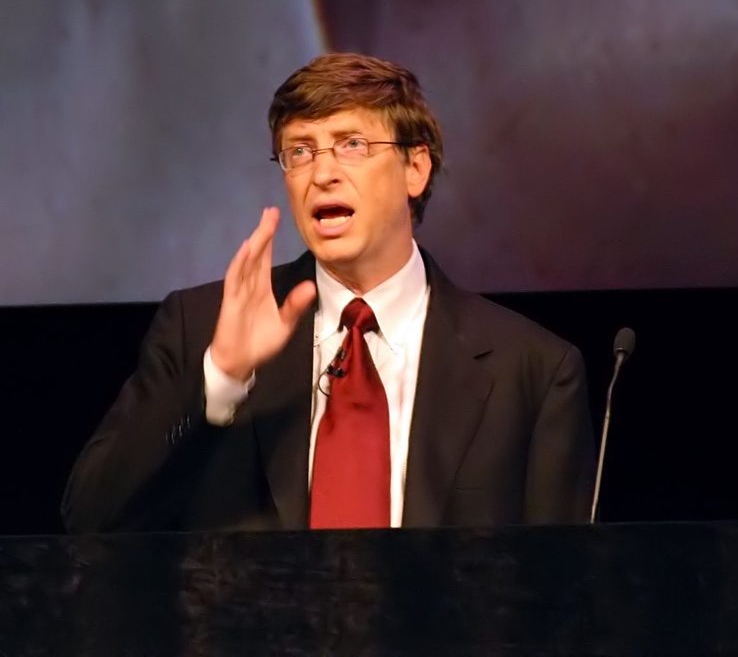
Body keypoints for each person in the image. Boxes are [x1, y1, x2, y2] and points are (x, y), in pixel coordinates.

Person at [62, 52, 595, 532]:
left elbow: (559, 586)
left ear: (415, 167)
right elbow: (90, 516)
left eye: (352, 145)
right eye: (299, 151)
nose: (322, 174)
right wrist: (221, 378)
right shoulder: (201, 327)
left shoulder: (531, 369)